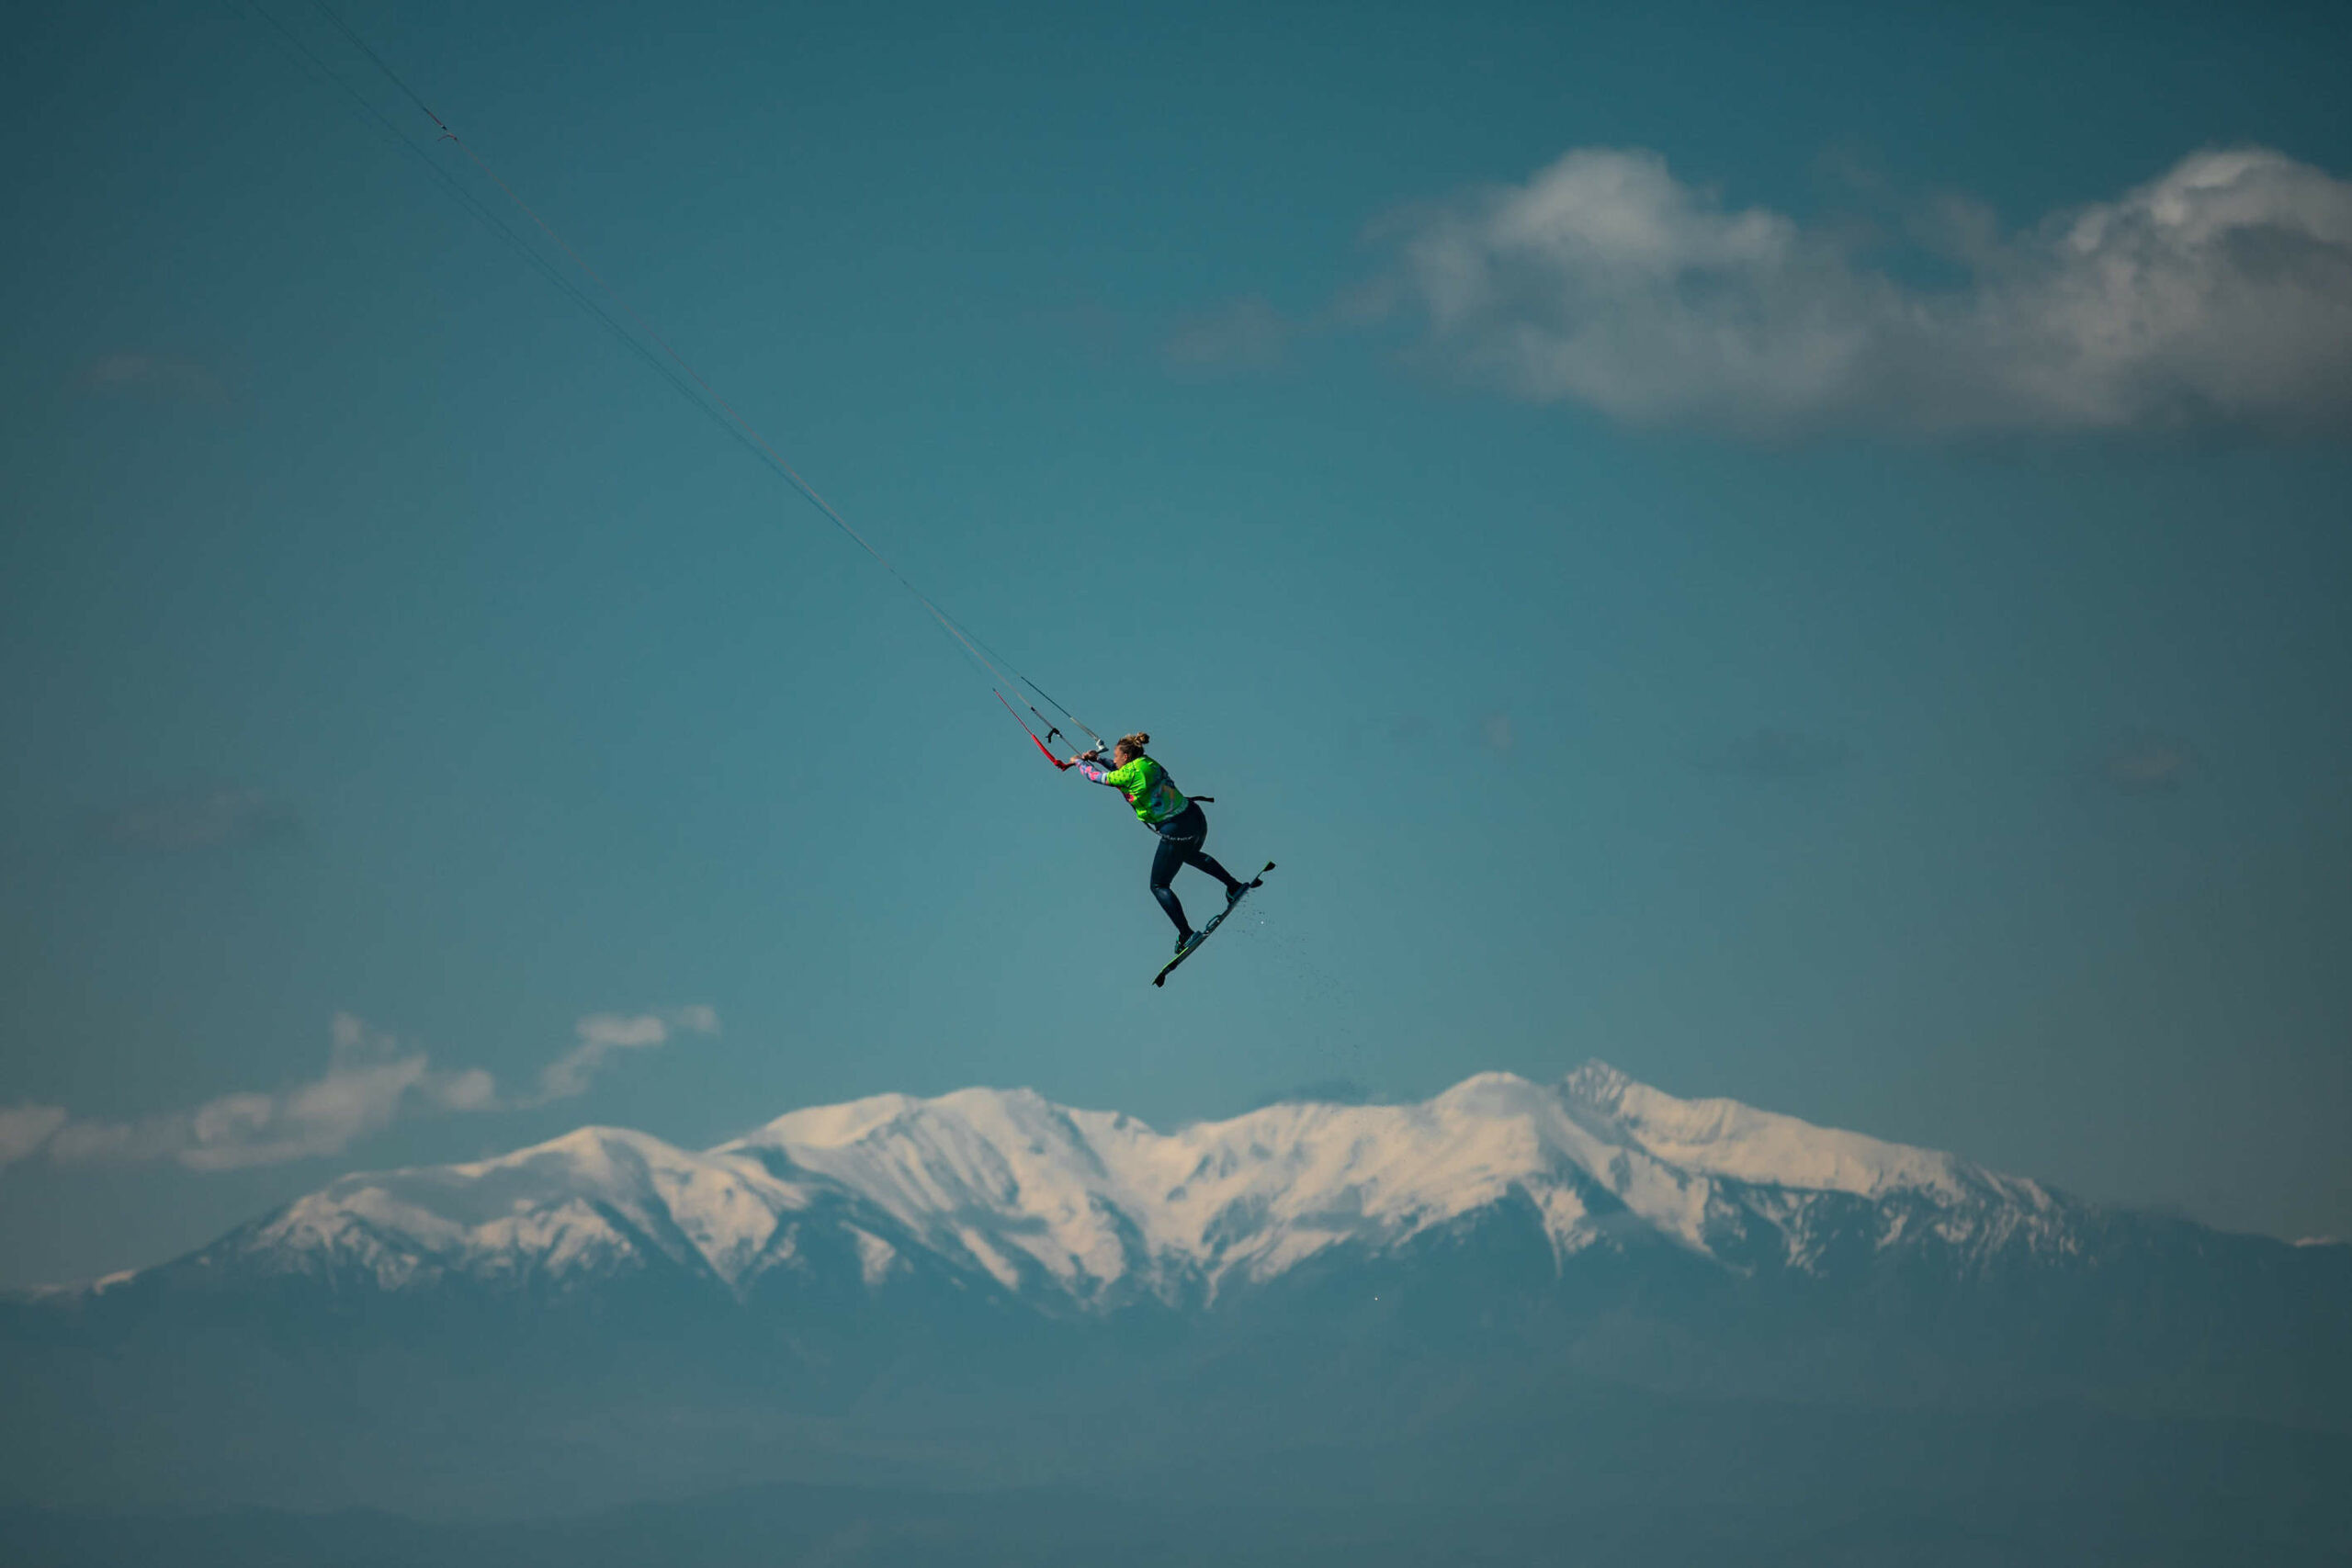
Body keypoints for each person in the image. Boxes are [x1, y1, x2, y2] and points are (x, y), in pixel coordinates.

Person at [1069, 732, 1256, 953]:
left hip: (1176, 827)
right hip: (1195, 818)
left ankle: (1186, 934)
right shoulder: (1146, 763)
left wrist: (1079, 763)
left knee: (1158, 885)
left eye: (1117, 756)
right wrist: (1098, 759)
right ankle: (1233, 886)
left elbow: (1096, 778)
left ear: (1127, 757)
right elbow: (1119, 769)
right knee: (1189, 855)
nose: (1115, 759)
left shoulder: (1127, 772)